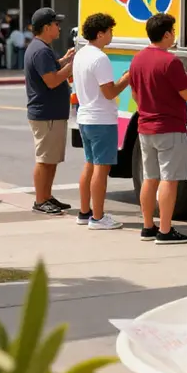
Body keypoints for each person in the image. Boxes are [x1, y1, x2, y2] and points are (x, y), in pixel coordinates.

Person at [128, 13, 187, 244]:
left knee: (150, 178)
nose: (175, 35)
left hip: (145, 127)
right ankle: (165, 230)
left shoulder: (138, 59)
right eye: (173, 31)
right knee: (169, 180)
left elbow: (135, 94)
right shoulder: (170, 61)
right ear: (166, 34)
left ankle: (147, 227)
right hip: (169, 128)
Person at [72, 13, 130, 231]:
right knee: (101, 169)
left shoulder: (81, 54)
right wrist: (127, 78)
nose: (111, 35)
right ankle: (98, 217)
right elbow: (109, 92)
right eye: (110, 31)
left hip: (85, 116)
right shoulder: (99, 58)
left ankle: (84, 212)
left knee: (89, 164)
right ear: (100, 33)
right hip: (101, 119)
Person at [24, 7, 75, 215]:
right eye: (56, 24)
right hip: (46, 114)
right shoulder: (41, 50)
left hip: (51, 113)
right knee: (45, 160)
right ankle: (40, 200)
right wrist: (70, 68)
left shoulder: (40, 48)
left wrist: (63, 60)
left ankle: (47, 196)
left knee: (51, 159)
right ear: (46, 27)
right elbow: (52, 80)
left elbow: (51, 70)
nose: (59, 28)